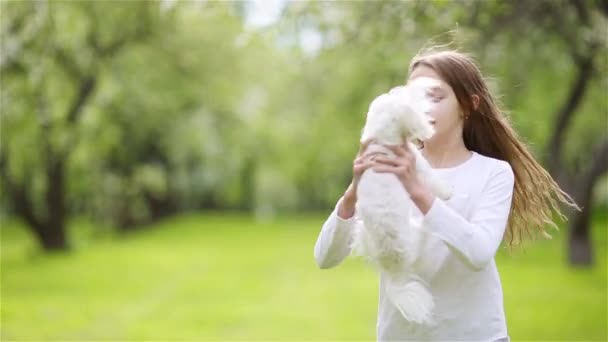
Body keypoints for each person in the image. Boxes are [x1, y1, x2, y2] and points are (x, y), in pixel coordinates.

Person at [313, 49, 579, 341]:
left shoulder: (494, 172)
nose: (421, 107)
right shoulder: (388, 169)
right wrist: (354, 191)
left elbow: (478, 253)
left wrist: (418, 190)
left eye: (435, 97)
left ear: (468, 104)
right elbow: (325, 257)